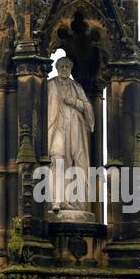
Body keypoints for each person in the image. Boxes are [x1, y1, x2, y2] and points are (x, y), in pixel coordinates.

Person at [48, 57, 95, 212]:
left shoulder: (77, 87)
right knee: (57, 160)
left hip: (74, 130)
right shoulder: (50, 85)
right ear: (56, 67)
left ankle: (67, 201)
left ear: (71, 69)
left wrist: (74, 101)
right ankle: (56, 200)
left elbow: (88, 108)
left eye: (67, 66)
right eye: (61, 66)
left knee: (71, 164)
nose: (64, 69)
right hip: (56, 128)